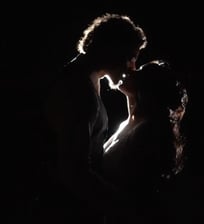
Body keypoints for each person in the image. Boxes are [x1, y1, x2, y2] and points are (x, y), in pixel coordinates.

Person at [38, 13, 147, 223]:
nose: (133, 66)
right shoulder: (79, 89)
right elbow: (74, 171)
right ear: (115, 49)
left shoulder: (85, 79)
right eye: (131, 57)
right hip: (67, 210)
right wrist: (123, 205)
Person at [101, 60, 188, 223]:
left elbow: (132, 195)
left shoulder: (147, 132)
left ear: (148, 88)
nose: (131, 71)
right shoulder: (131, 122)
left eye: (139, 72)